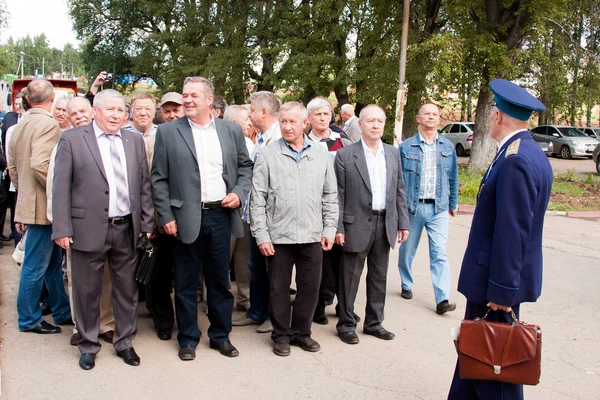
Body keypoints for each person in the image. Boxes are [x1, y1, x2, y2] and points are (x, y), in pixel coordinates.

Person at [448, 79, 553, 400]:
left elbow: (513, 232)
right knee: (476, 354)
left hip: (495, 282)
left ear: (497, 116)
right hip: (494, 278)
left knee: (495, 364)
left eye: (492, 111)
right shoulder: (523, 152)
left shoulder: (516, 160)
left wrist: (503, 292)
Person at [52, 89, 155, 370]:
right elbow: (60, 187)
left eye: (120, 110)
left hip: (126, 228)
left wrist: (147, 223)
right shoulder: (72, 139)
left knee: (126, 290)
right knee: (87, 291)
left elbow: (143, 186)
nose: (115, 115)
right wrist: (62, 227)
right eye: (109, 109)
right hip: (87, 228)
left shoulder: (133, 140)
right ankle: (87, 345)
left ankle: (124, 342)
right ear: (95, 111)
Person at [151, 76, 253, 361]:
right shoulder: (168, 132)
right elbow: (158, 179)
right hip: (184, 217)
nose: (187, 100)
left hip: (220, 215)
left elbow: (246, 168)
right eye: (185, 95)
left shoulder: (231, 131)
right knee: (184, 282)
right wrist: (165, 216)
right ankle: (187, 339)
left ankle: (221, 336)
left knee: (220, 281)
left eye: (194, 95)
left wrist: (239, 192)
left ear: (210, 99)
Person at [250, 101, 338, 357]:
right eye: (283, 122)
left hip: (312, 234)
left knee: (310, 288)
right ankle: (281, 336)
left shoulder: (321, 154)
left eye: (292, 122)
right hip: (279, 236)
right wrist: (262, 235)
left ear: (304, 124)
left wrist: (329, 229)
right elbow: (258, 199)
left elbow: (330, 195)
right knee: (278, 289)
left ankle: (302, 333)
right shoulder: (268, 155)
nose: (288, 127)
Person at [334, 104, 409, 344]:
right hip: (354, 224)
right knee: (349, 278)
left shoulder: (392, 153)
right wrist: (338, 227)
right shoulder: (346, 155)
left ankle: (374, 323)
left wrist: (402, 222)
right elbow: (338, 194)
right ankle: (346, 324)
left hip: (384, 222)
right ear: (360, 124)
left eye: (380, 121)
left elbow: (399, 190)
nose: (376, 126)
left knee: (378, 277)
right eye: (370, 121)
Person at [48, 96, 116, 346]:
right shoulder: (65, 141)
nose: (78, 116)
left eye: (82, 111)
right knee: (78, 279)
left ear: (93, 112)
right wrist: (59, 224)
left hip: (108, 224)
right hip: (76, 226)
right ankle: (81, 324)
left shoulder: (108, 141)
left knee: (106, 278)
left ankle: (106, 323)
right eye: (72, 112)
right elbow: (56, 187)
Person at [8, 79, 71, 334]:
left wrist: (24, 195)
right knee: (36, 265)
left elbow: (13, 167)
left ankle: (61, 310)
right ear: (52, 97)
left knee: (52, 263)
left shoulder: (21, 124)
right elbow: (41, 165)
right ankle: (29, 319)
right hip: (43, 207)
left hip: (31, 201)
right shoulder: (47, 124)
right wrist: (61, 191)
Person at [397, 103, 459, 315]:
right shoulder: (406, 147)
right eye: (427, 114)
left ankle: (442, 298)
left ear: (438, 119)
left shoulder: (447, 147)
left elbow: (452, 177)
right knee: (407, 250)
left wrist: (452, 204)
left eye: (435, 114)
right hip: (413, 208)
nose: (431, 117)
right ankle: (406, 283)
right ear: (418, 118)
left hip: (438, 208)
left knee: (439, 253)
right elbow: (399, 182)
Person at [232, 91, 282, 334]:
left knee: (275, 269)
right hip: (255, 217)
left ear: (264, 111)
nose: (249, 115)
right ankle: (256, 312)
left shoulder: (280, 138)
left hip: (273, 218)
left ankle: (275, 316)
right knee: (256, 266)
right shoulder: (261, 139)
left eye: (251, 109)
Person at [306, 96, 350, 325]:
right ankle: (320, 304)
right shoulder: (305, 141)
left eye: (326, 114)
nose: (323, 118)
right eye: (317, 114)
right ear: (309, 119)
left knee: (344, 259)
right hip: (316, 207)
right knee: (321, 259)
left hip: (343, 206)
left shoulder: (342, 139)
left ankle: (345, 305)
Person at [223, 104, 254, 311]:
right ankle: (218, 301)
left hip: (246, 214)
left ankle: (245, 299)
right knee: (220, 259)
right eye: (247, 120)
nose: (250, 123)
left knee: (244, 260)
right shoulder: (219, 144)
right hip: (226, 211)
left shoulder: (250, 144)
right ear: (234, 123)